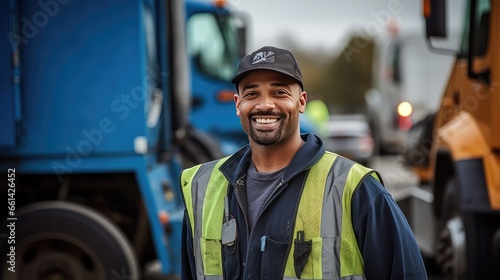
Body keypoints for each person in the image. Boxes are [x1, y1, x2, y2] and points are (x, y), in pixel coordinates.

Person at [179, 45, 427, 279]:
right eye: (252, 93)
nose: (265, 104)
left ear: (301, 102)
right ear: (238, 104)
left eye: (279, 92)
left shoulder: (355, 188)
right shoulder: (202, 188)